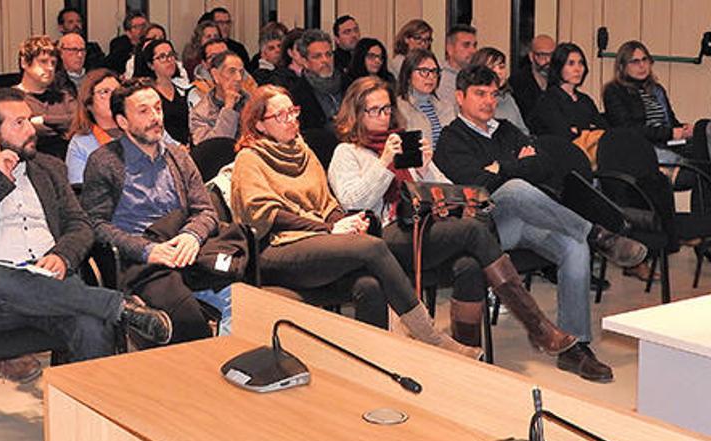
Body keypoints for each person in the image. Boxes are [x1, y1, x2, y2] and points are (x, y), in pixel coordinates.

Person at [327, 76, 577, 358]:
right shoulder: (347, 152)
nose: (383, 117)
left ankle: (467, 353)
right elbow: (354, 200)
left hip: (421, 229)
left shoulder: (402, 146)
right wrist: (384, 163)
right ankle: (536, 324)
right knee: (473, 231)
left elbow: (447, 190)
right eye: (374, 110)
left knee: (469, 265)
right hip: (381, 237)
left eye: (386, 109)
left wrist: (424, 170)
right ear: (356, 113)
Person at [231, 84, 481, 359]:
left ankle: (374, 362)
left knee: (369, 285)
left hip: (317, 241)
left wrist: (350, 222)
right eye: (281, 116)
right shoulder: (249, 158)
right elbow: (265, 214)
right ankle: (431, 338)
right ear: (260, 125)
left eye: (293, 112)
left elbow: (326, 203)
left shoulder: (302, 151)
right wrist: (330, 228)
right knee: (372, 247)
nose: (291, 120)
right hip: (277, 248)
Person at [435, 65, 650, 381]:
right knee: (516, 189)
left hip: (527, 218)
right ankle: (597, 234)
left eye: (493, 94)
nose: (488, 101)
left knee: (572, 247)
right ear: (460, 97)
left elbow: (546, 166)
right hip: (486, 228)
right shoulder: (451, 139)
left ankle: (574, 348)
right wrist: (516, 166)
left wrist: (502, 166)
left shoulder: (506, 129)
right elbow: (478, 186)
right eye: (480, 94)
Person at [0, 88, 174, 362]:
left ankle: (89, 404)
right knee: (1, 281)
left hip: (55, 286)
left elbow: (80, 224)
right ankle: (117, 305)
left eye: (29, 119)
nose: (30, 129)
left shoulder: (49, 168)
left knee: (91, 325)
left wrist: (63, 255)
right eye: (18, 123)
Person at [80, 78, 230, 343]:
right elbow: (96, 225)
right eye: (143, 111)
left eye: (158, 108)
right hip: (140, 261)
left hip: (187, 252)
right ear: (123, 122)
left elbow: (205, 210)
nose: (155, 117)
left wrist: (191, 236)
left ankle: (233, 370)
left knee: (246, 303)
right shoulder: (104, 161)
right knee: (189, 323)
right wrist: (147, 251)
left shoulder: (178, 156)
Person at [603, 40, 711, 167]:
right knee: (700, 166)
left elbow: (671, 123)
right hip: (642, 148)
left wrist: (685, 130)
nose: (642, 65)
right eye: (635, 62)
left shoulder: (656, 89)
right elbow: (628, 130)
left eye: (645, 60)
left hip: (669, 143)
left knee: (704, 128)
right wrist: (670, 133)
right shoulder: (614, 91)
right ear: (622, 66)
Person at [14, 35, 77, 159]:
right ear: (24, 62)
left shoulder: (64, 97)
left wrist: (44, 120)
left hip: (66, 165)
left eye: (53, 63)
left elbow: (79, 122)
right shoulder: (12, 99)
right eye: (43, 61)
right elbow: (22, 134)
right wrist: (62, 128)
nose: (50, 68)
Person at [528, 43, 606, 139]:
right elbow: (563, 135)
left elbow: (603, 130)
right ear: (559, 67)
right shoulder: (548, 101)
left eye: (581, 63)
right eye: (571, 63)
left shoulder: (585, 100)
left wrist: (578, 130)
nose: (577, 69)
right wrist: (588, 130)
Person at [65, 69, 122, 184]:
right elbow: (81, 193)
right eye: (105, 92)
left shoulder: (141, 127)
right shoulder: (80, 144)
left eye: (117, 91)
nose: (113, 97)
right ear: (89, 103)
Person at [133, 39, 191, 146]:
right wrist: (177, 147)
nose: (169, 60)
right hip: (163, 147)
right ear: (151, 65)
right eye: (162, 57)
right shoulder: (147, 94)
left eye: (171, 55)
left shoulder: (184, 88)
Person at [395, 50, 455, 147]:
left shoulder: (446, 107)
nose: (431, 77)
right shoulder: (399, 107)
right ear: (408, 75)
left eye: (434, 71)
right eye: (424, 71)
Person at [289, 29, 346, 132]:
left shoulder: (349, 84)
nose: (325, 60)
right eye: (317, 56)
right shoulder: (296, 95)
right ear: (305, 61)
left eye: (328, 54)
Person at [190, 51, 250, 145]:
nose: (238, 78)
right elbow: (215, 148)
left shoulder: (252, 103)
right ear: (215, 75)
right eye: (232, 71)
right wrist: (228, 108)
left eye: (241, 72)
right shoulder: (200, 113)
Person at [470, 47, 529, 135]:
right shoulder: (472, 100)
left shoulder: (508, 99)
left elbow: (523, 131)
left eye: (501, 67)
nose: (499, 72)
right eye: (492, 67)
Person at [509, 34, 554, 119]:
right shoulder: (517, 83)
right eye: (542, 55)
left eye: (552, 55)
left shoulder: (559, 81)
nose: (548, 60)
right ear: (531, 56)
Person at [438, 24, 478, 106]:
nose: (473, 51)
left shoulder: (476, 76)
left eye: (474, 45)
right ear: (450, 49)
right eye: (466, 45)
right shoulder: (439, 77)